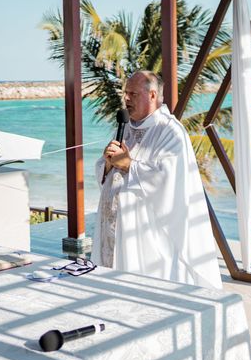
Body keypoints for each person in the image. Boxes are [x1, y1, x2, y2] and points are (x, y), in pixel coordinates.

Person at [91, 71, 223, 289]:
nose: (126, 99)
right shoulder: (125, 128)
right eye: (125, 93)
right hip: (114, 227)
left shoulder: (170, 131)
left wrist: (129, 165)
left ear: (152, 95)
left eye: (132, 94)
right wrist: (106, 163)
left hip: (146, 233)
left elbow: (169, 178)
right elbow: (107, 170)